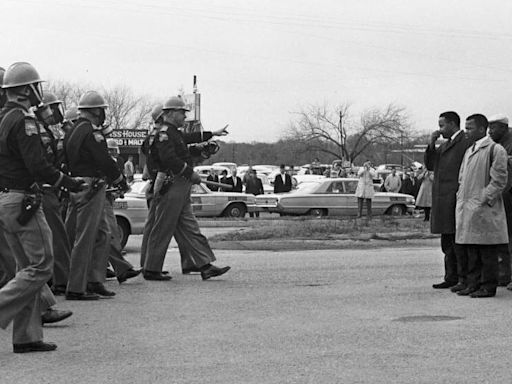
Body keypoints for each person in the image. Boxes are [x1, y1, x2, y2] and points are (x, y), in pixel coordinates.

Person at [0, 62, 85, 353]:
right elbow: (37, 165)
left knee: (25, 268)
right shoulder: (25, 121)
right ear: (25, 90)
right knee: (40, 266)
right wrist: (68, 182)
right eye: (36, 87)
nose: (40, 92)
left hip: (7, 199)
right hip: (23, 199)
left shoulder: (3, 118)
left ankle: (26, 337)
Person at [143, 96, 230, 281]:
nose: (184, 116)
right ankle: (151, 268)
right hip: (172, 183)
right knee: (163, 227)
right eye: (182, 112)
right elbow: (169, 160)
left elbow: (188, 138)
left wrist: (212, 133)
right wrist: (189, 173)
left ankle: (205, 265)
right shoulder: (164, 133)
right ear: (171, 113)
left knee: (190, 227)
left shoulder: (174, 132)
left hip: (181, 185)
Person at [65, 90, 127, 300]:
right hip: (92, 186)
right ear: (96, 111)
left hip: (78, 184)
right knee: (85, 237)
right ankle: (76, 287)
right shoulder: (92, 133)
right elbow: (103, 159)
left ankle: (94, 280)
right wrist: (119, 179)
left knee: (102, 234)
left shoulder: (73, 131)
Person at [455, 114, 508, 298]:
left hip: (484, 208)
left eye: (469, 128)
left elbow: (499, 180)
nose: (466, 131)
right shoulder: (470, 150)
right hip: (467, 206)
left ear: (481, 129)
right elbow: (462, 178)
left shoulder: (495, 149)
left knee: (487, 250)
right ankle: (473, 283)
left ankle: (488, 286)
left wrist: (483, 198)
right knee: (472, 249)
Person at [425, 111, 472, 291]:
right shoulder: (446, 145)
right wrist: (431, 144)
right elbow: (431, 164)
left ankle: (463, 278)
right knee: (447, 242)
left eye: (442, 125)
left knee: (457, 241)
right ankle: (451, 276)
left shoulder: (465, 143)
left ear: (452, 124)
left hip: (455, 198)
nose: (440, 129)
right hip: (442, 199)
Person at [487, 114, 512, 288]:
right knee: (502, 237)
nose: (490, 131)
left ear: (503, 127)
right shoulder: (496, 145)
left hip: (509, 194)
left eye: (493, 127)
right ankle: (504, 274)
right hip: (502, 195)